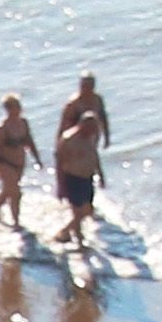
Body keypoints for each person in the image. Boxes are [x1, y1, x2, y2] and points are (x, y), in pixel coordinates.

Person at [0, 95, 41, 231]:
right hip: (4, 163)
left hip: (19, 164)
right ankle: (16, 222)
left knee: (8, 190)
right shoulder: (3, 128)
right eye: (15, 107)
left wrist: (37, 158)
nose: (19, 109)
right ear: (8, 109)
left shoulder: (23, 123)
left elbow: (29, 141)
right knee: (15, 193)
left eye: (19, 106)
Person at [52, 102, 104, 249]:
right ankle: (77, 240)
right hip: (72, 179)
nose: (93, 132)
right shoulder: (68, 139)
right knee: (79, 212)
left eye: (95, 129)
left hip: (87, 179)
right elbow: (59, 163)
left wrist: (100, 174)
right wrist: (61, 186)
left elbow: (94, 154)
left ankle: (67, 233)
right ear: (82, 125)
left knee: (88, 211)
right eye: (91, 129)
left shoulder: (91, 136)